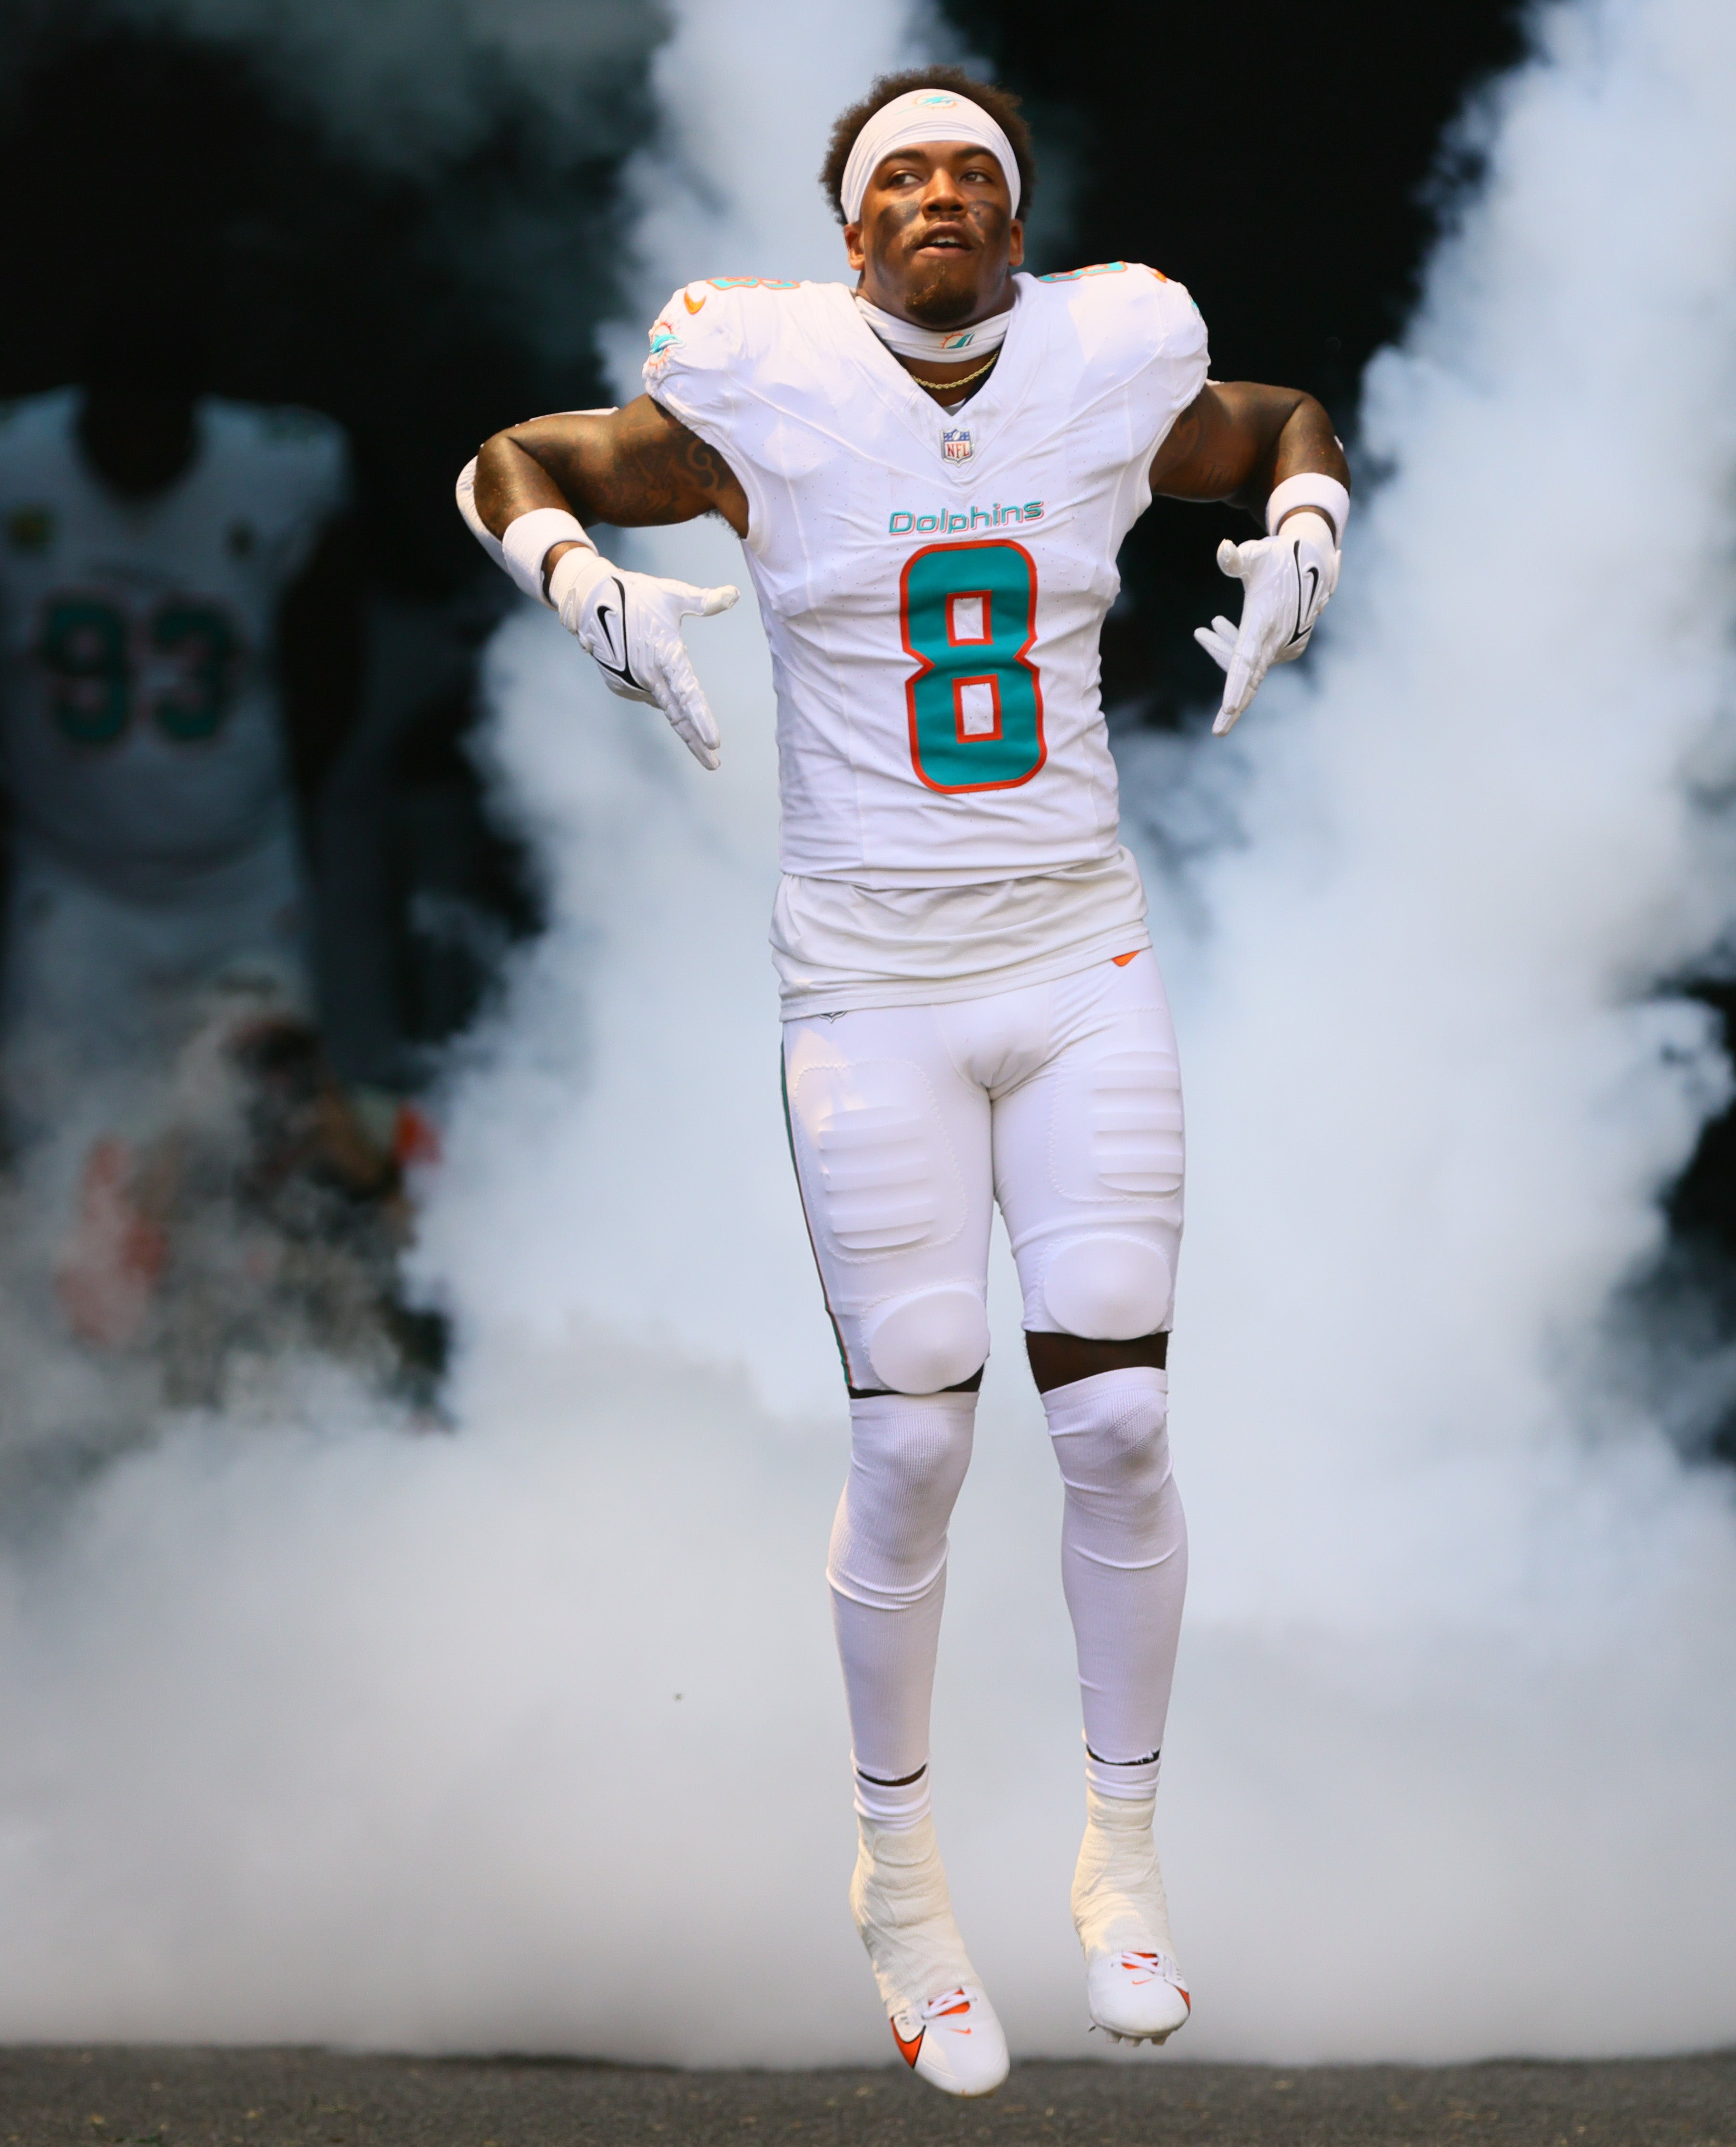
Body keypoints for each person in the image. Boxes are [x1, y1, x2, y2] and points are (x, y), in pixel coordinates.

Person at [461, 69, 1349, 2096]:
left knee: (1117, 1420)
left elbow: (1284, 420)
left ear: (1018, 224)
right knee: (919, 1443)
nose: (941, 195)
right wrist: (579, 582)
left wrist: (1309, 520)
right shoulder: (761, 386)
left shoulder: (1110, 362)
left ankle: (1121, 1866)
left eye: (976, 172)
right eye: (902, 176)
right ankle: (899, 1880)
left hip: (1076, 962)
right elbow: (517, 456)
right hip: (868, 988)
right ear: (846, 227)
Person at [0, 304, 361, 1278]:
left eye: (158, 427)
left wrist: (251, 806)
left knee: (258, 1138)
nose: (135, 451)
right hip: (76, 876)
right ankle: (76, 1384)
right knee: (64, 1141)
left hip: (238, 876)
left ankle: (235, 1373)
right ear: (81, 407)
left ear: (196, 412)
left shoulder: (282, 473)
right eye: (115, 425)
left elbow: (329, 673)